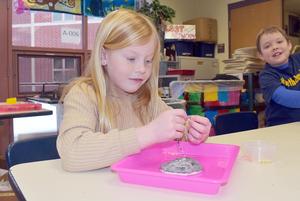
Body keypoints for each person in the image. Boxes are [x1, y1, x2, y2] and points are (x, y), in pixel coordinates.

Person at [57, 9, 211, 172]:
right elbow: (71, 153)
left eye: (148, 60)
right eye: (131, 58)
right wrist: (149, 133)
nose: (141, 69)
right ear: (103, 56)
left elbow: (174, 134)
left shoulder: (149, 99)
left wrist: (191, 133)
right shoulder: (83, 94)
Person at [257, 26, 300, 126]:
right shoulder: (266, 76)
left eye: (279, 42)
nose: (275, 47)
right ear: (261, 55)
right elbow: (284, 97)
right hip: (280, 127)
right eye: (267, 46)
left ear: (289, 45)